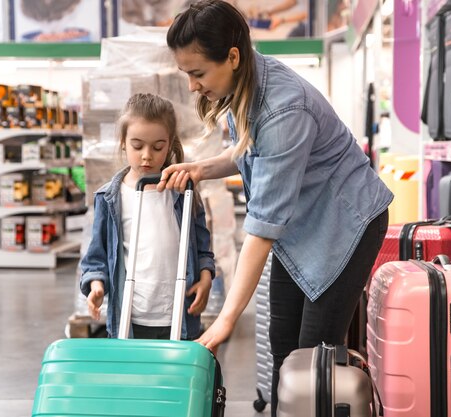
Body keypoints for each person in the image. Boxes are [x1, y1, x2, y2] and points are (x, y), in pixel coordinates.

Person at [160, 1, 392, 415]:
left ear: (231, 56)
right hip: (302, 227)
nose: (193, 86)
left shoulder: (283, 107)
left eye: (197, 73)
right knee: (283, 345)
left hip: (347, 225)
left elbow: (263, 229)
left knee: (313, 359)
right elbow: (250, 150)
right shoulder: (246, 80)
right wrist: (202, 168)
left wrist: (227, 317)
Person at [79, 93, 215, 340]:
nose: (147, 155)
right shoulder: (110, 198)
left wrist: (206, 278)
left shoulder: (184, 192)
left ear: (170, 143)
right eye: (137, 145)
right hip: (131, 319)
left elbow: (202, 249)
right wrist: (96, 286)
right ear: (123, 142)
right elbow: (96, 257)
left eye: (158, 147)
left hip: (178, 315)